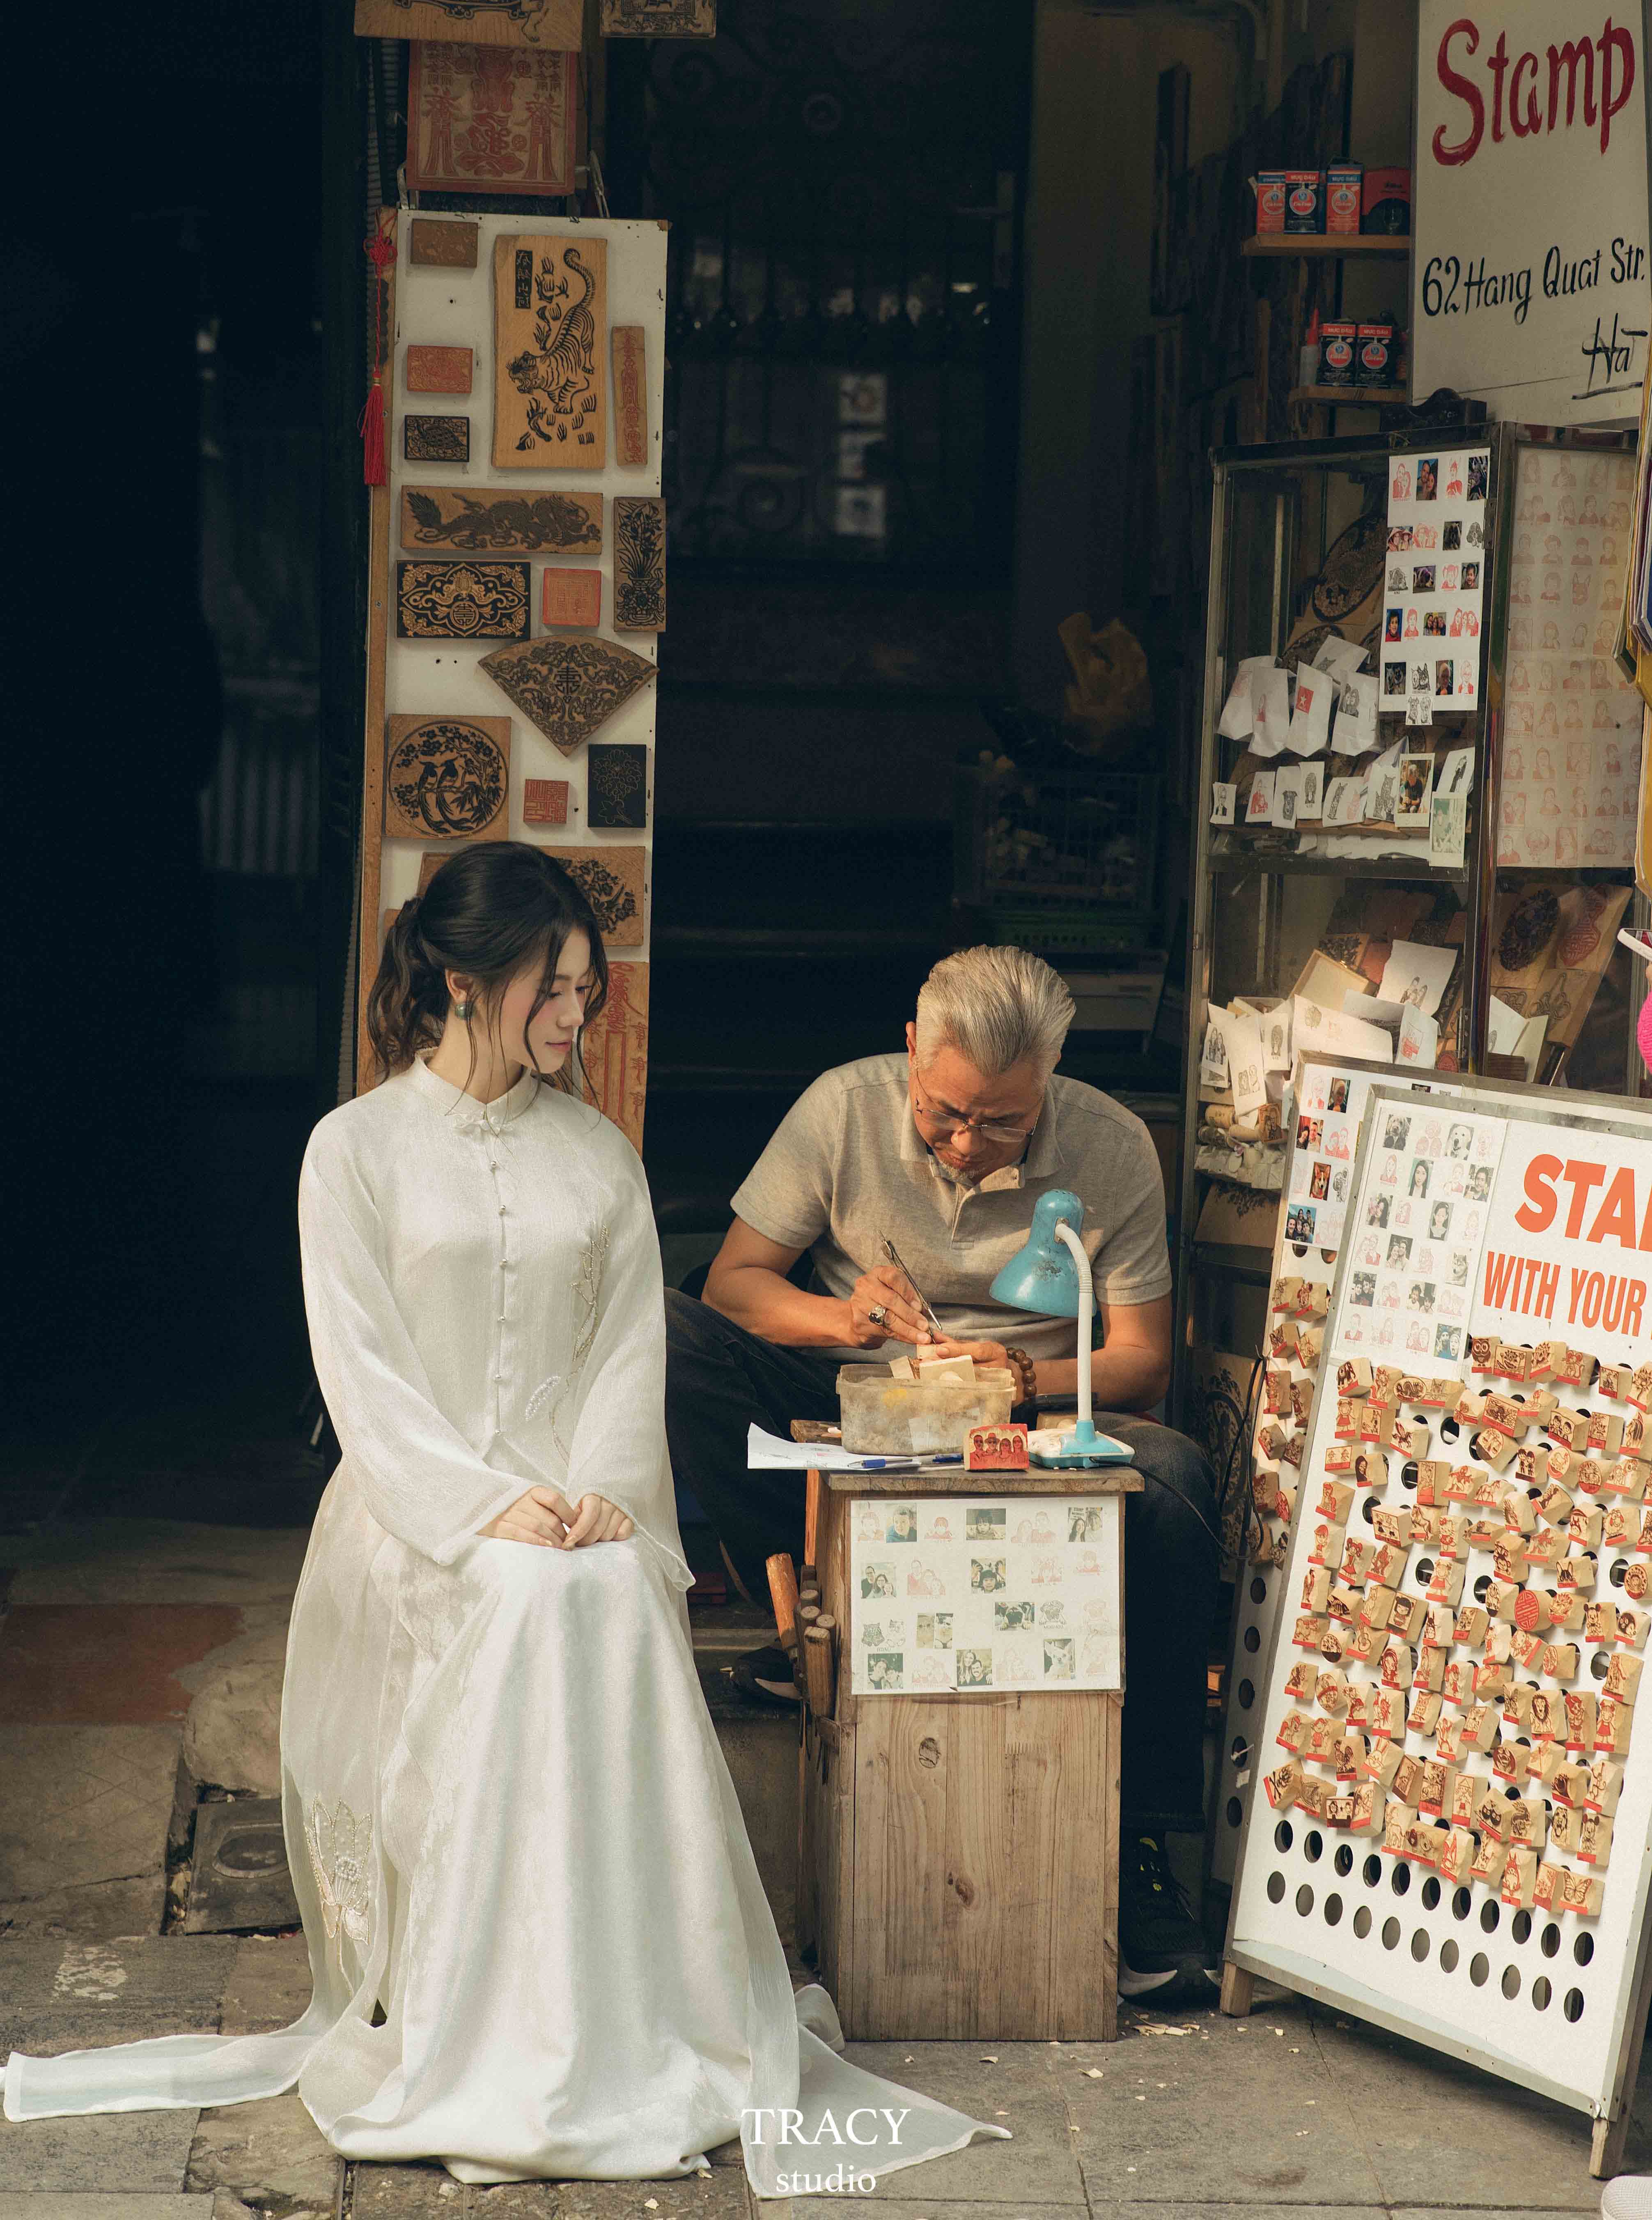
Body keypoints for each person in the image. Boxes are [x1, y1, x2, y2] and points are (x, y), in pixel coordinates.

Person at [2, 844, 1006, 2196]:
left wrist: (601, 1493)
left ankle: (617, 2021)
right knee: (527, 1593)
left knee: (602, 1588)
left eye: (588, 991)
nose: (576, 1016)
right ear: (467, 981)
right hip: (412, 1510)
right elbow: (362, 1370)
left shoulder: (597, 1154)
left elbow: (625, 1352)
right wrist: (482, 1504)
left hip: (582, 1505)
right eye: (555, 987)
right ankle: (491, 2035)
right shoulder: (352, 1150)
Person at [665, 945, 1220, 2002]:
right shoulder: (842, 1109)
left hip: (1032, 1417)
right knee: (669, 1339)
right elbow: (733, 1287)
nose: (966, 1144)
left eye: (1003, 1122)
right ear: (912, 1048)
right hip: (860, 1405)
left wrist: (1021, 1377)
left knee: (1173, 1480)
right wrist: (843, 1318)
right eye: (944, 1113)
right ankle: (807, 1621)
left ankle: (1143, 1855)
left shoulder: (1108, 1144)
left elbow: (1142, 1359)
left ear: (1049, 1077)